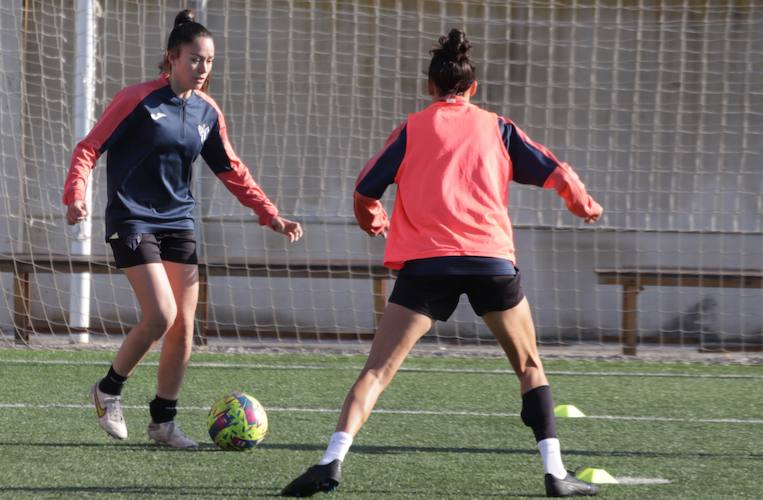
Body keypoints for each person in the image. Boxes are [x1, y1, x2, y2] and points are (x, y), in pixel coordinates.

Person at [281, 29, 601, 497]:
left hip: (427, 265)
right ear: (473, 89)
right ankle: (555, 473)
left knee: (375, 372)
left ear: (429, 88)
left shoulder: (412, 128)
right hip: (491, 260)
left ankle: (330, 462)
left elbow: (364, 188)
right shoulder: (498, 126)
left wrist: (374, 221)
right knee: (530, 365)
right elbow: (557, 171)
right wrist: (583, 205)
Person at [63, 9, 302, 448]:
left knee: (184, 328)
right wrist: (75, 195)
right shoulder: (136, 99)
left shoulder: (207, 112)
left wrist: (271, 214)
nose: (203, 68)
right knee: (161, 315)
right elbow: (89, 146)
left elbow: (231, 169)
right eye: (194, 59)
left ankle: (162, 424)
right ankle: (108, 389)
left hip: (179, 220)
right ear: (171, 58)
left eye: (209, 61)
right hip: (132, 217)